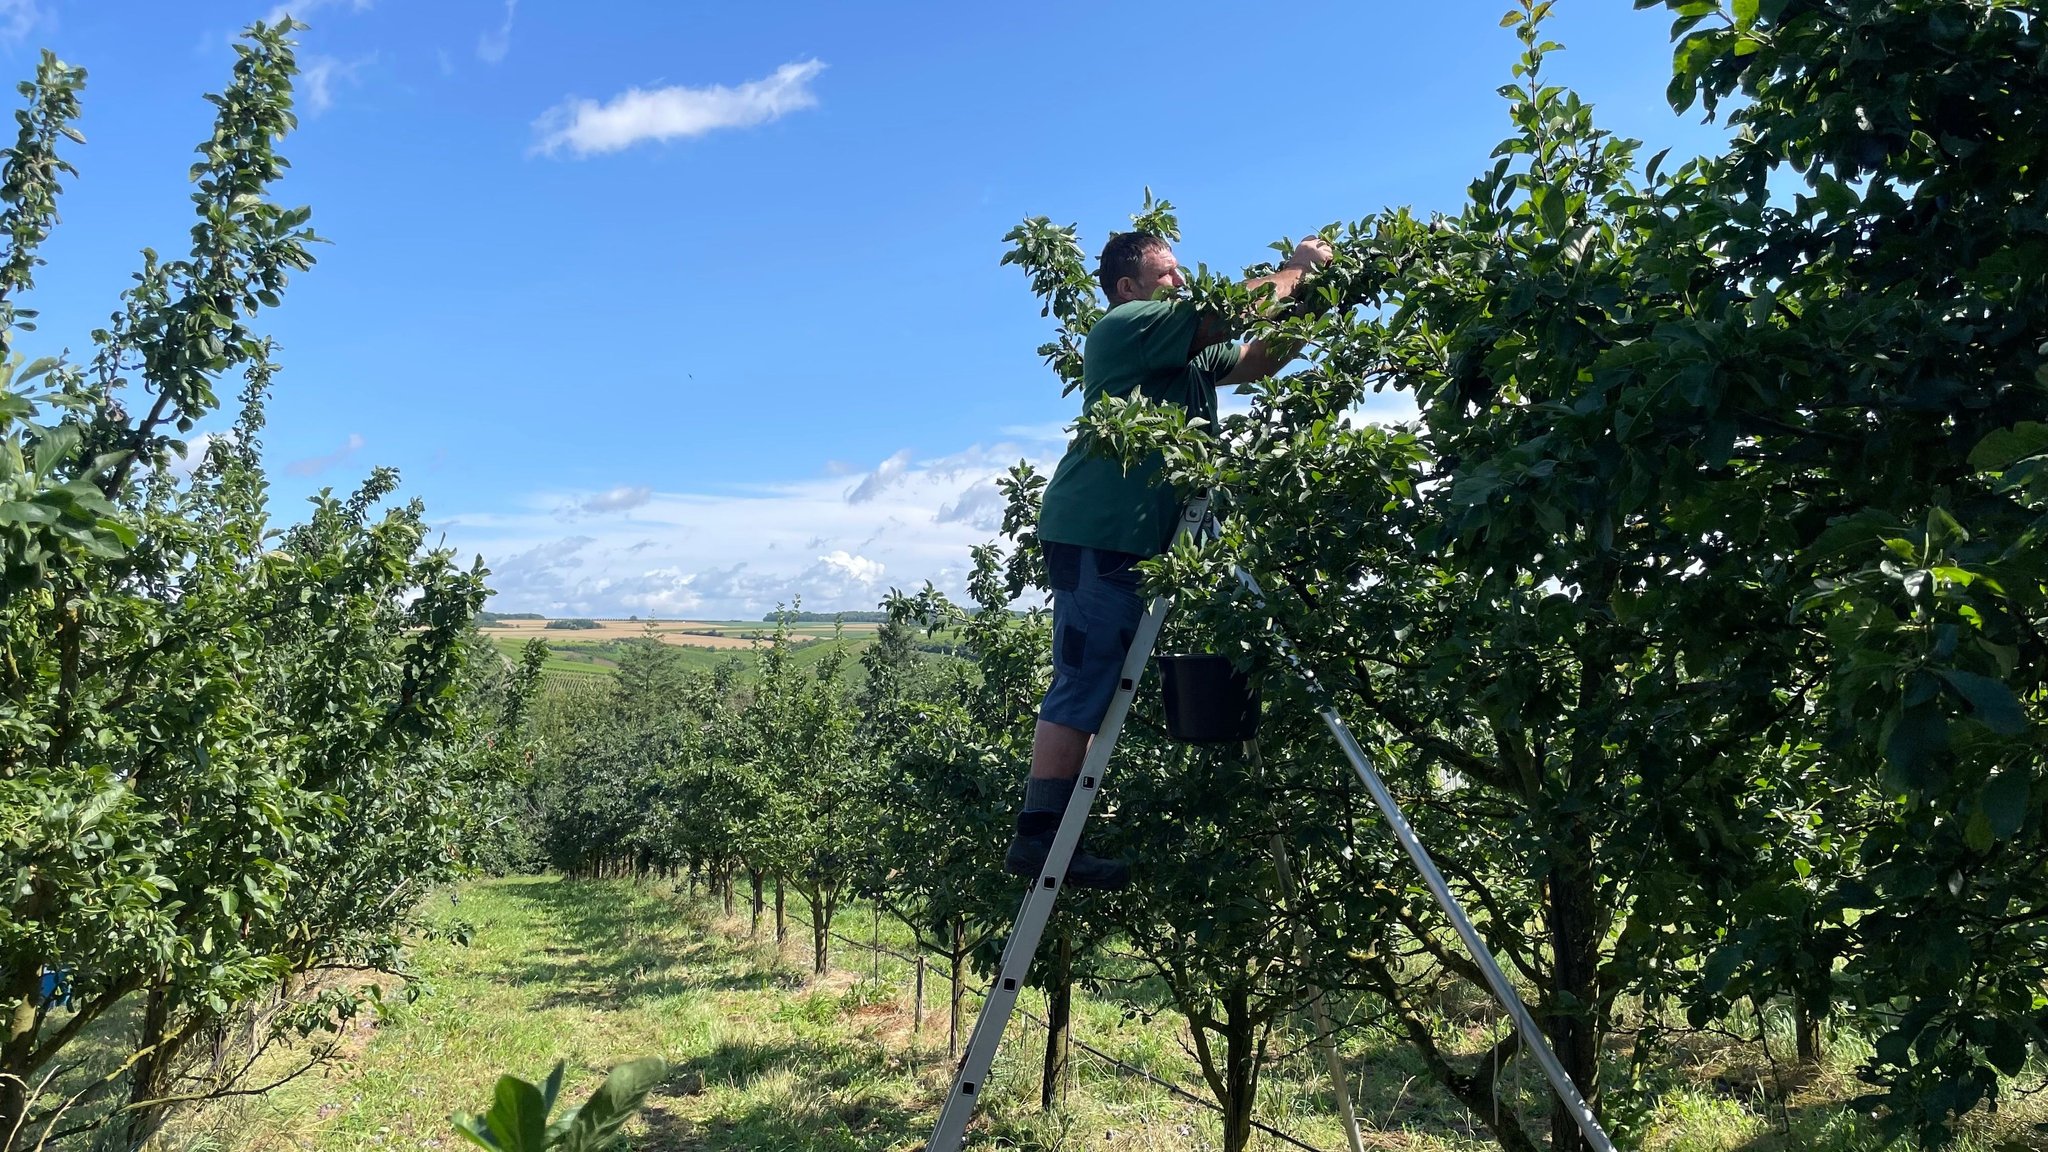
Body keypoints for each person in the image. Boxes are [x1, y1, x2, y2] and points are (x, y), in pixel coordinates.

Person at [1004, 229, 1334, 889]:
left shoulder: (1184, 353)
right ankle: (1038, 840)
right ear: (1130, 288)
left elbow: (1261, 360)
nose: (1182, 283)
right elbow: (1227, 311)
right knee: (1084, 678)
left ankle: (1054, 838)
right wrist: (1297, 268)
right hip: (1099, 531)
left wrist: (1318, 298)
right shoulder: (1124, 326)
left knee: (1097, 682)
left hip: (1145, 537)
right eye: (1168, 274)